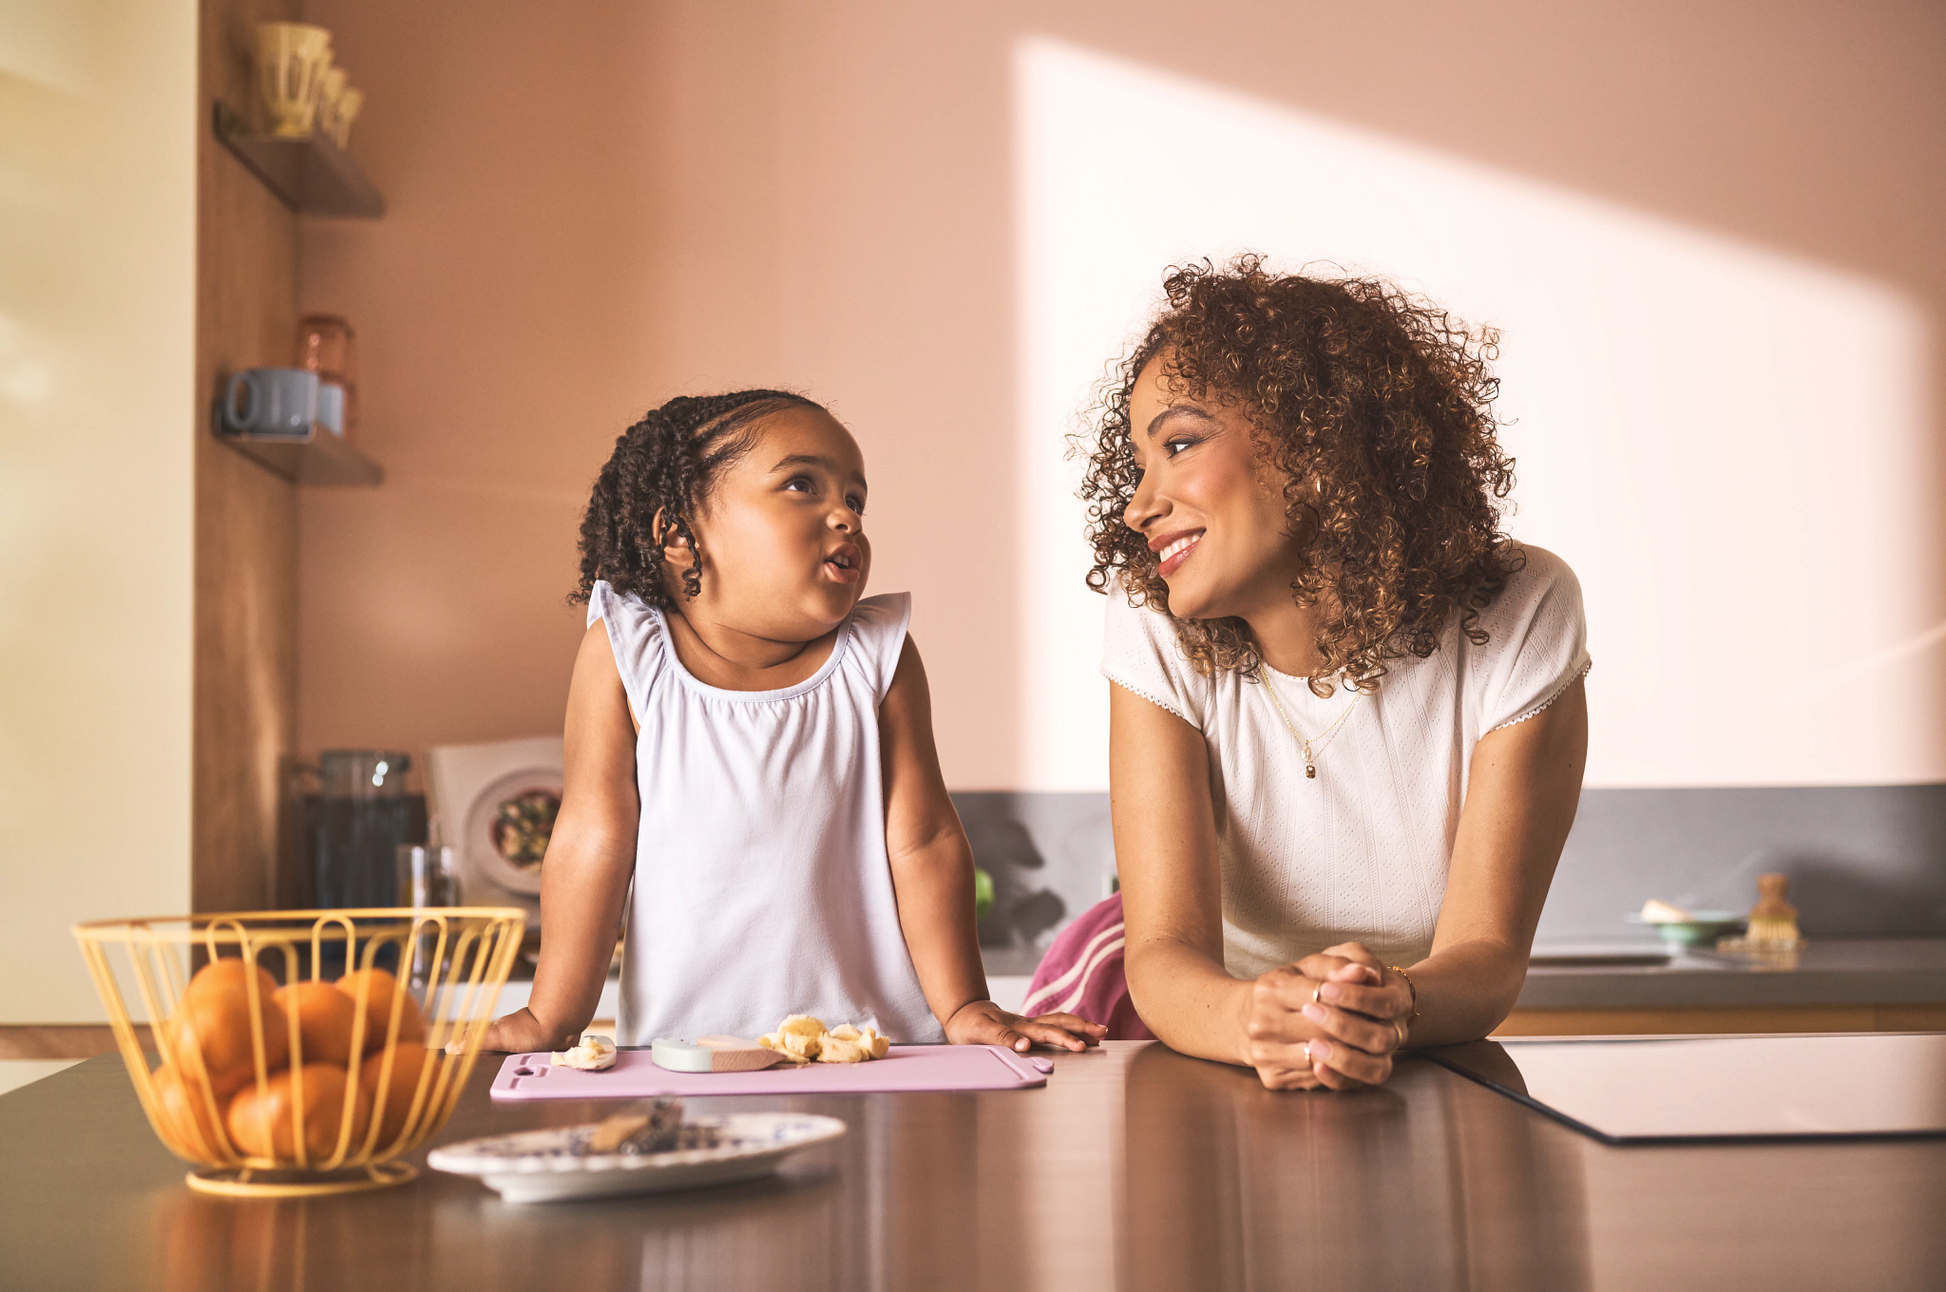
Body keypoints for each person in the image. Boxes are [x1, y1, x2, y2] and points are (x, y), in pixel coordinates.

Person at [1035, 256, 1589, 1090]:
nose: (1137, 505)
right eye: (1140, 462)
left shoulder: (1522, 609)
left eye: (1179, 444)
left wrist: (1379, 1009)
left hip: (1404, 1035)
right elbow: (1164, 955)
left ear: (1319, 443)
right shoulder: (1151, 613)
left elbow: (1488, 957)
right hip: (1200, 1028)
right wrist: (1255, 1018)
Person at [483, 390, 1104, 1055]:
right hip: (688, 1059)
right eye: (802, 485)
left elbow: (922, 841)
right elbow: (592, 842)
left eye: (856, 499)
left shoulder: (878, 656)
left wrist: (965, 1005)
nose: (846, 515)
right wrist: (552, 1018)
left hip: (879, 1052)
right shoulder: (627, 655)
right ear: (679, 537)